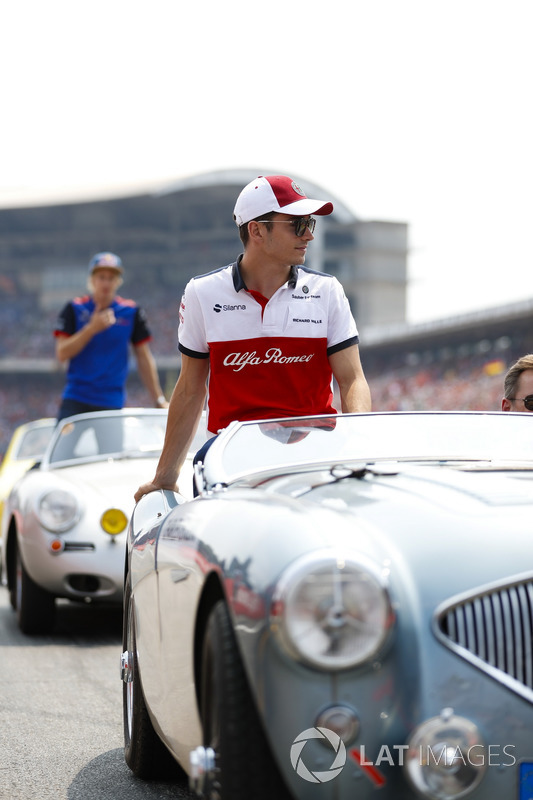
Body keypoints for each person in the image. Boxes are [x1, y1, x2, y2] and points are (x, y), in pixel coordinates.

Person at [134, 174, 371, 501]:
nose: (309, 235)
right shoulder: (202, 293)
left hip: (313, 456)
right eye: (298, 224)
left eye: (311, 223)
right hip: (232, 461)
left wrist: (359, 445)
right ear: (257, 230)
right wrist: (164, 478)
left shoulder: (327, 290)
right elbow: (190, 389)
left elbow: (353, 379)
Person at [54, 252, 168, 421]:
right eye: (101, 277)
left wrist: (158, 399)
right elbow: (62, 353)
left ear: (118, 281)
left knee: (113, 448)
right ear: (92, 280)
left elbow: (143, 357)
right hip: (76, 397)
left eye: (111, 277)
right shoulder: (74, 309)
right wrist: (91, 329)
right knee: (63, 447)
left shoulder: (131, 312)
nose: (106, 282)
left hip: (111, 400)